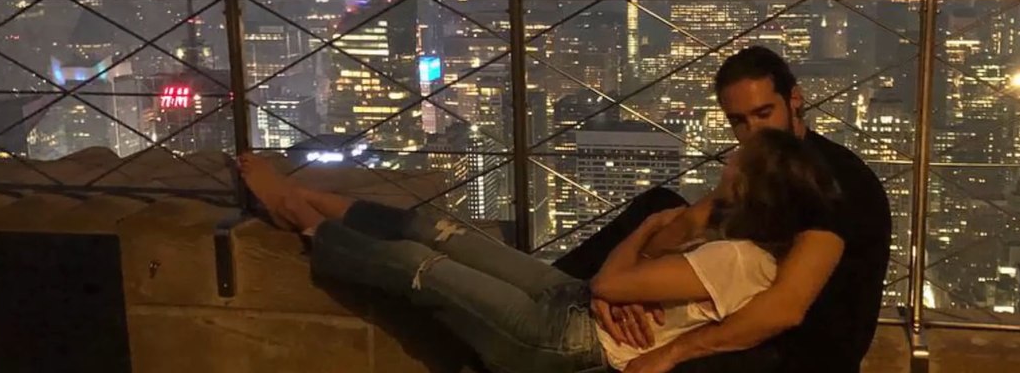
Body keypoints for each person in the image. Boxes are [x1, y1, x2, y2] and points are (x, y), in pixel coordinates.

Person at [237, 127, 843, 373]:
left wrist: (640, 233)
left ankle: (307, 224)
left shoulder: (738, 260)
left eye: (736, 163)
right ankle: (310, 197)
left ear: (752, 186)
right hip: (574, 307)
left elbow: (614, 283)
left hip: (563, 341)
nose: (726, 160)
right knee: (443, 232)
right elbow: (636, 288)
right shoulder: (748, 250)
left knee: (421, 269)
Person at [552, 46, 893, 373]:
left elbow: (785, 310)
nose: (753, 131)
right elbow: (685, 226)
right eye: (739, 121)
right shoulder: (762, 168)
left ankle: (556, 313)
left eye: (763, 113)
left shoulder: (830, 183)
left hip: (801, 348)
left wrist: (671, 353)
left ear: (795, 100)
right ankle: (567, 298)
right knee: (658, 205)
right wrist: (621, 293)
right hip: (748, 309)